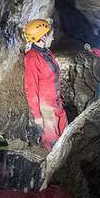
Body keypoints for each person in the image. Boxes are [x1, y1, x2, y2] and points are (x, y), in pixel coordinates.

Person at [23, 19, 68, 151]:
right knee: (53, 144)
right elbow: (30, 89)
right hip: (46, 109)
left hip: (57, 103)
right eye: (50, 34)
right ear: (42, 37)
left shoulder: (47, 53)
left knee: (66, 135)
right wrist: (37, 116)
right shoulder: (32, 58)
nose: (53, 37)